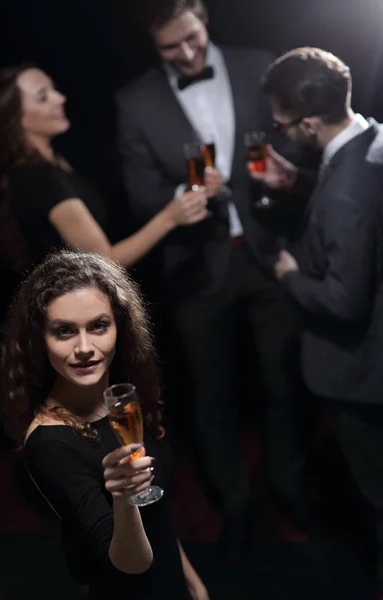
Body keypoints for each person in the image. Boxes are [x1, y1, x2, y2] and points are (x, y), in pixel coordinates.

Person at [116, 0, 314, 553]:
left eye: (193, 38)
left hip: (270, 255)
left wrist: (288, 175)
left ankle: (291, 490)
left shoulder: (260, 66)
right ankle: (234, 504)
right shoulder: (135, 101)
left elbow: (301, 144)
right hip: (197, 270)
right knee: (211, 396)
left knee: (283, 384)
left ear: (204, 16)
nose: (186, 53)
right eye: (170, 48)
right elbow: (139, 195)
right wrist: (182, 199)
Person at [0, 249, 210, 600]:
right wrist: (123, 497)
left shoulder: (122, 399)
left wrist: (190, 579)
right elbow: (131, 564)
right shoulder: (50, 443)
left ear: (119, 327)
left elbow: (156, 509)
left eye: (98, 326)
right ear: (40, 340)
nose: (84, 348)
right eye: (64, 331)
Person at [250, 46, 383, 596]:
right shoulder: (372, 139)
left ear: (307, 122)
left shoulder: (346, 196)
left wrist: (287, 275)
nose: (279, 133)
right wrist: (303, 185)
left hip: (361, 371)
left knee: (377, 493)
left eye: (282, 124)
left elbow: (343, 300)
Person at [0, 64, 208, 273]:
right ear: (15, 118)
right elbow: (104, 263)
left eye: (54, 89)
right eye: (43, 97)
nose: (60, 98)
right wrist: (170, 217)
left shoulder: (55, 161)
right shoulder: (41, 178)